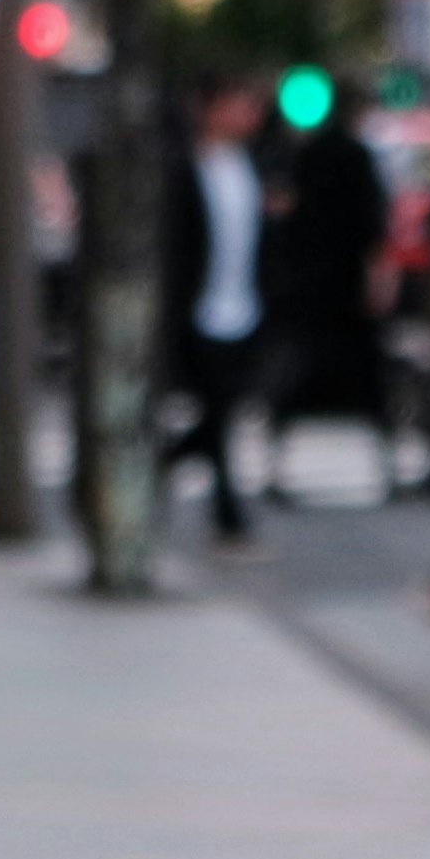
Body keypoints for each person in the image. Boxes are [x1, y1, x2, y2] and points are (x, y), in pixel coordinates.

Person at [264, 77, 401, 493]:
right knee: (366, 381)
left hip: (308, 285)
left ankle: (279, 464)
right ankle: (386, 466)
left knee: (297, 378)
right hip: (346, 286)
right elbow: (375, 227)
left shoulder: (305, 155)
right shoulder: (357, 157)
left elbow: (287, 219)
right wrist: (379, 279)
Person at [163, 72, 271, 544]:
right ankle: (227, 511)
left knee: (224, 409)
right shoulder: (185, 167)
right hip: (201, 307)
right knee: (218, 409)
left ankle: (163, 460)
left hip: (244, 305)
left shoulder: (255, 165)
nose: (248, 116)